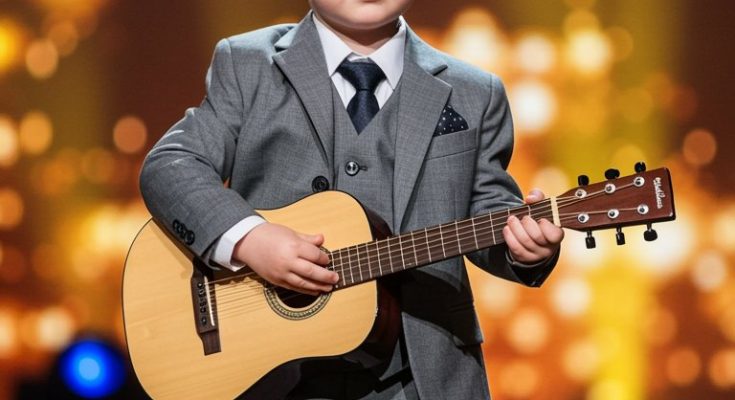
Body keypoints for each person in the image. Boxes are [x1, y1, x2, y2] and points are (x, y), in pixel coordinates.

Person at [139, 0, 565, 398]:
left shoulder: (475, 91)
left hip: (421, 376)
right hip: (272, 373)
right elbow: (171, 165)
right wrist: (250, 239)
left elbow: (489, 209)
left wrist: (527, 251)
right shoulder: (248, 64)